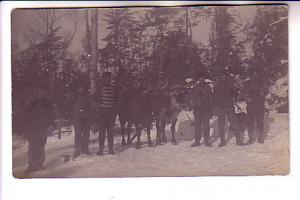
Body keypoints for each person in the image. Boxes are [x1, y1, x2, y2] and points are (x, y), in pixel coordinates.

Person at [25, 84, 54, 172]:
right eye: (39, 91)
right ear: (36, 92)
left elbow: (51, 114)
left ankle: (39, 164)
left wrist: (51, 125)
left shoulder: (47, 102)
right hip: (32, 127)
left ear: (44, 92)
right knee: (32, 146)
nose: (40, 92)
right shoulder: (31, 101)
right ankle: (31, 165)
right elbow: (26, 114)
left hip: (43, 126)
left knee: (40, 146)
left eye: (42, 91)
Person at [213, 70, 243, 147]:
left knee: (234, 123)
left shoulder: (230, 84)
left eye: (224, 75)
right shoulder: (217, 86)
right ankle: (222, 141)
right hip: (220, 108)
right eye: (221, 75)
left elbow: (236, 93)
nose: (222, 77)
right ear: (219, 77)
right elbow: (214, 97)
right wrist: (215, 107)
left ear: (226, 76)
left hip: (229, 107)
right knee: (221, 125)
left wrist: (235, 97)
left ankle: (238, 140)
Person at [242, 69, 268, 144]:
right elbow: (242, 93)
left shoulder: (262, 83)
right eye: (253, 74)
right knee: (250, 122)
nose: (254, 75)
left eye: (256, 74)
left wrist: (263, 95)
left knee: (260, 122)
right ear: (250, 75)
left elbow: (267, 91)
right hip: (250, 106)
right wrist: (246, 97)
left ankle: (260, 137)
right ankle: (251, 138)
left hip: (260, 105)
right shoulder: (247, 83)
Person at [97, 72, 118, 155]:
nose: (107, 79)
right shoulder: (100, 88)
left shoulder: (113, 88)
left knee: (110, 131)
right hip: (102, 113)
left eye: (108, 78)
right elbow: (96, 98)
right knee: (102, 131)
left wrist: (115, 110)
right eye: (105, 77)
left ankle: (110, 149)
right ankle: (101, 150)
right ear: (103, 78)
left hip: (111, 113)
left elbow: (116, 99)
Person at [72, 83, 95, 160]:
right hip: (77, 119)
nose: (81, 89)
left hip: (86, 118)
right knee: (78, 134)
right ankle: (77, 150)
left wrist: (92, 118)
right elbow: (69, 105)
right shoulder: (74, 96)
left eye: (82, 88)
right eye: (79, 88)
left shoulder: (88, 97)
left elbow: (91, 108)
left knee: (86, 134)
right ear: (77, 89)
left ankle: (85, 149)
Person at [190, 73, 213, 147]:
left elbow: (211, 99)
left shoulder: (208, 88)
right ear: (198, 79)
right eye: (199, 78)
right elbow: (192, 97)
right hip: (197, 109)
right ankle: (197, 141)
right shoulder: (195, 87)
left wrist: (211, 110)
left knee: (206, 125)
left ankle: (206, 141)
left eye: (202, 78)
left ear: (204, 79)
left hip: (206, 109)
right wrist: (196, 101)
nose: (201, 79)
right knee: (197, 126)